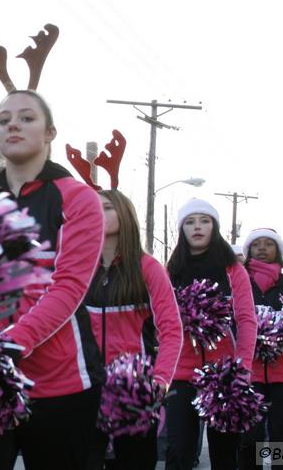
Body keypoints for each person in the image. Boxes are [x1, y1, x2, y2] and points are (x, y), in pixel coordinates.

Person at [0, 90, 105, 470]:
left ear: (49, 132)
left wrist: (10, 345)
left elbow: (68, 286)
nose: (12, 125)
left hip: (61, 384)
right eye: (4, 120)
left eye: (26, 118)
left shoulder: (77, 198)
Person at [83, 189, 182, 470]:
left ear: (124, 215)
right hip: (86, 388)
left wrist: (160, 379)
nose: (98, 214)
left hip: (133, 393)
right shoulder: (78, 266)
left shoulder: (147, 268)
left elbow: (172, 329)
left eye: (106, 208)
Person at [164, 199, 257, 470]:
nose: (197, 227)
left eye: (204, 221)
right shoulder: (170, 271)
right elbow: (161, 321)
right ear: (182, 229)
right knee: (178, 451)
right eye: (190, 222)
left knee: (224, 454)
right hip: (181, 374)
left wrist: (243, 366)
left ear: (214, 227)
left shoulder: (233, 269)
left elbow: (247, 320)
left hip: (224, 374)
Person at [238, 228, 283, 470]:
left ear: (278, 251)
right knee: (248, 437)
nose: (262, 248)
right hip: (247, 372)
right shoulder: (237, 281)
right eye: (257, 244)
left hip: (282, 371)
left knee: (282, 438)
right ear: (249, 250)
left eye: (268, 244)